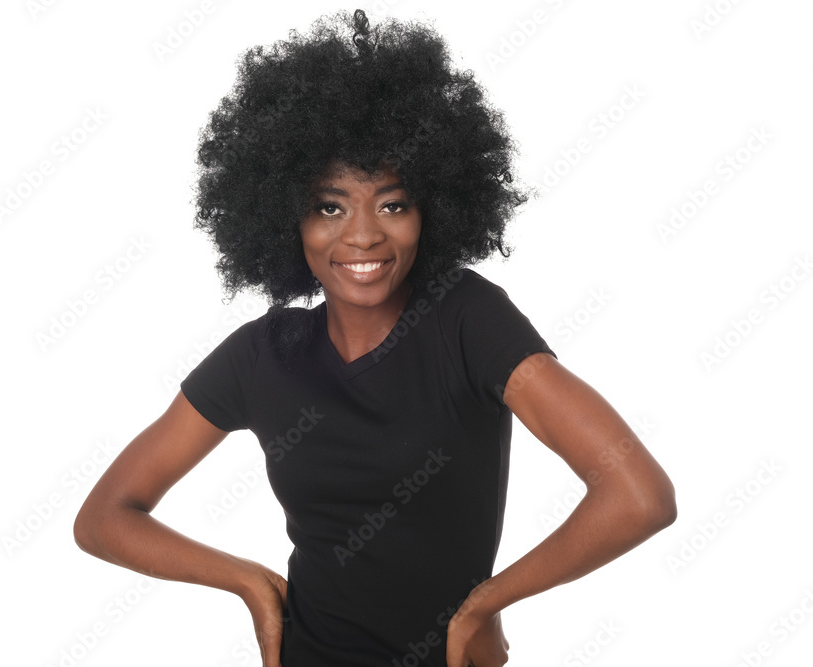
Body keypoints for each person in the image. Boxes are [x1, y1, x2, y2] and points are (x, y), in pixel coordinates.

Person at [73, 9, 677, 667]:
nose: (362, 235)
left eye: (392, 203)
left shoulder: (466, 319)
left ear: (433, 209)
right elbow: (105, 517)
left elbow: (637, 495)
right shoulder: (263, 354)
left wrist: (487, 602)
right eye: (330, 206)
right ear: (286, 217)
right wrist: (246, 580)